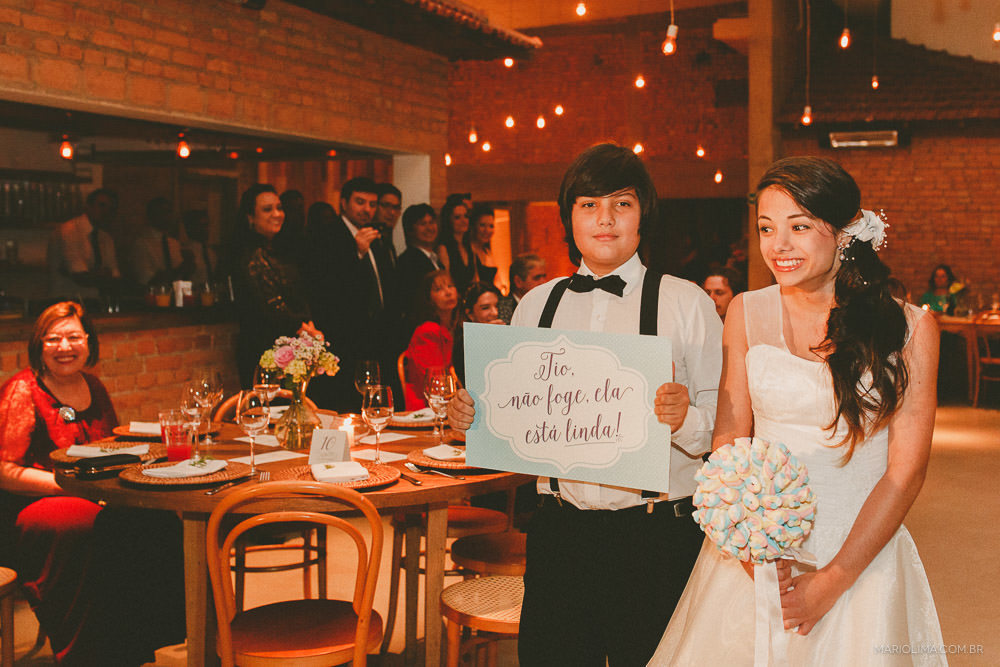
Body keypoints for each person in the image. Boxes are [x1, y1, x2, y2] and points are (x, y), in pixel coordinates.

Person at [649, 157, 944, 665]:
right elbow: (729, 437)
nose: (778, 246)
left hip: (861, 556)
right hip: (759, 555)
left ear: (845, 232)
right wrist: (747, 543)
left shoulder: (910, 328)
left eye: (799, 226)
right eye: (767, 228)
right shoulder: (745, 310)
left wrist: (833, 581)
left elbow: (906, 471)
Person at [448, 143, 722, 666]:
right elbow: (515, 412)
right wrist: (472, 417)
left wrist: (686, 417)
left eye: (622, 204)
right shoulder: (534, 305)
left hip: (655, 536)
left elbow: (725, 432)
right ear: (568, 216)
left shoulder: (687, 304)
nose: (605, 219)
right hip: (559, 535)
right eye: (588, 204)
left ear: (644, 215)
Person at [0, 301, 185, 665]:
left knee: (154, 519)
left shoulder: (94, 385)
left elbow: (111, 449)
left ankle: (150, 641)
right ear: (38, 345)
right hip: (32, 505)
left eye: (73, 337)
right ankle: (93, 653)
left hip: (91, 496)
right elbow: (3, 468)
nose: (64, 348)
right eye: (53, 339)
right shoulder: (24, 389)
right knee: (94, 525)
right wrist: (64, 485)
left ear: (89, 341)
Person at [305, 178, 399, 411]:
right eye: (360, 202)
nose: (366, 209)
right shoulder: (327, 236)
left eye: (372, 204)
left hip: (377, 337)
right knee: (347, 405)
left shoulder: (375, 237)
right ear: (344, 202)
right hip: (344, 338)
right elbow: (326, 287)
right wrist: (356, 253)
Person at [231, 184, 320, 388]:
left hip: (288, 346)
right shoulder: (250, 256)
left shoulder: (280, 249)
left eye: (279, 208)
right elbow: (269, 304)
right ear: (250, 217)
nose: (277, 214)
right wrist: (304, 329)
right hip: (264, 349)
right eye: (267, 209)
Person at [47, 188, 122, 300]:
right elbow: (80, 277)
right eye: (101, 205)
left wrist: (95, 274)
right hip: (67, 301)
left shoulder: (105, 238)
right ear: (88, 206)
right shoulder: (69, 231)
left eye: (110, 208)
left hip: (95, 302)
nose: (106, 211)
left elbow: (115, 277)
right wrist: (102, 274)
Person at [402, 270, 458, 410]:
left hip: (451, 401)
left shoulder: (457, 326)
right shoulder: (427, 332)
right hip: (427, 406)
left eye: (450, 286)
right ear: (428, 298)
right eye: (438, 289)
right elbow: (435, 382)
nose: (448, 292)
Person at [396, 203, 442, 326]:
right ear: (410, 230)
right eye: (422, 224)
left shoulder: (436, 259)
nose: (429, 228)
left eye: (432, 222)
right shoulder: (407, 261)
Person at [451, 281, 503, 385]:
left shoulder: (508, 335)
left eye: (497, 306)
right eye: (485, 308)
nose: (495, 312)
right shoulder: (463, 343)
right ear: (470, 314)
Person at [126, 196, 185, 287]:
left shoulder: (174, 244)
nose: (168, 217)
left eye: (169, 212)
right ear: (152, 215)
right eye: (163, 212)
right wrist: (177, 270)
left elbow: (180, 277)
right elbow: (146, 279)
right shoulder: (142, 244)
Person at [436, 198, 475, 294]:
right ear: (448, 220)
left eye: (466, 216)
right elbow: (446, 282)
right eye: (457, 217)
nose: (463, 220)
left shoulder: (469, 246)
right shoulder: (443, 248)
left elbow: (475, 280)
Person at [497, 253, 547, 324]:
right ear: (518, 281)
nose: (544, 282)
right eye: (537, 278)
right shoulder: (504, 307)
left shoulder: (546, 304)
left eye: (544, 276)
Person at [466, 204, 499, 289]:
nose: (487, 230)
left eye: (491, 226)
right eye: (482, 225)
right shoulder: (468, 251)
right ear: (473, 226)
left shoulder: (487, 252)